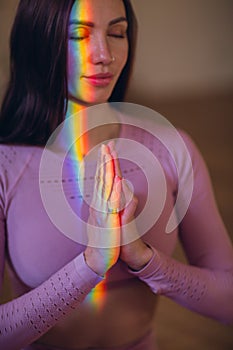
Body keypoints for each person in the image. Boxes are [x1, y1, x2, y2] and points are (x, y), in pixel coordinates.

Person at [0, 0, 232, 349]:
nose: (103, 53)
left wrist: (145, 259)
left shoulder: (171, 148)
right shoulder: (7, 166)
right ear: (37, 41)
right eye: (79, 35)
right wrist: (91, 264)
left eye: (117, 32)